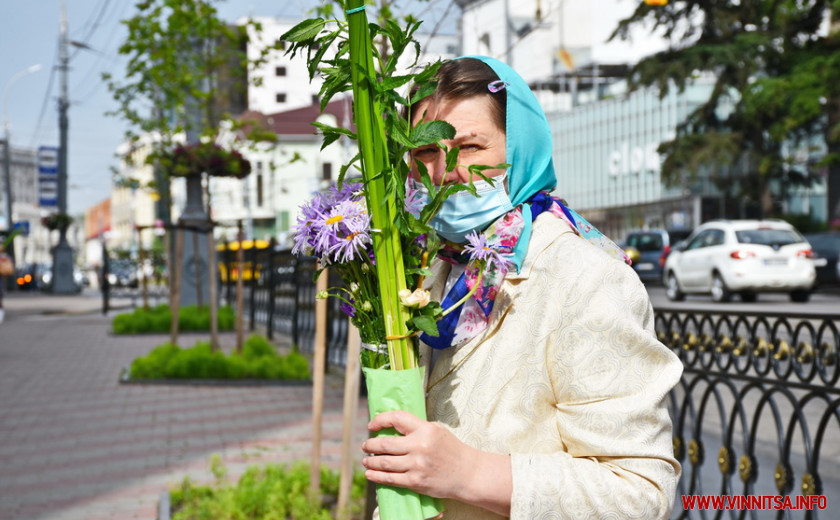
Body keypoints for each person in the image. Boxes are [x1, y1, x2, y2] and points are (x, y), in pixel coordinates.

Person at [360, 56, 683, 519]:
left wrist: (470, 473)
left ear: (521, 148)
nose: (443, 172)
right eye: (425, 152)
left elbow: (639, 492)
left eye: (470, 147)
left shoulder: (585, 278)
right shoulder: (431, 265)